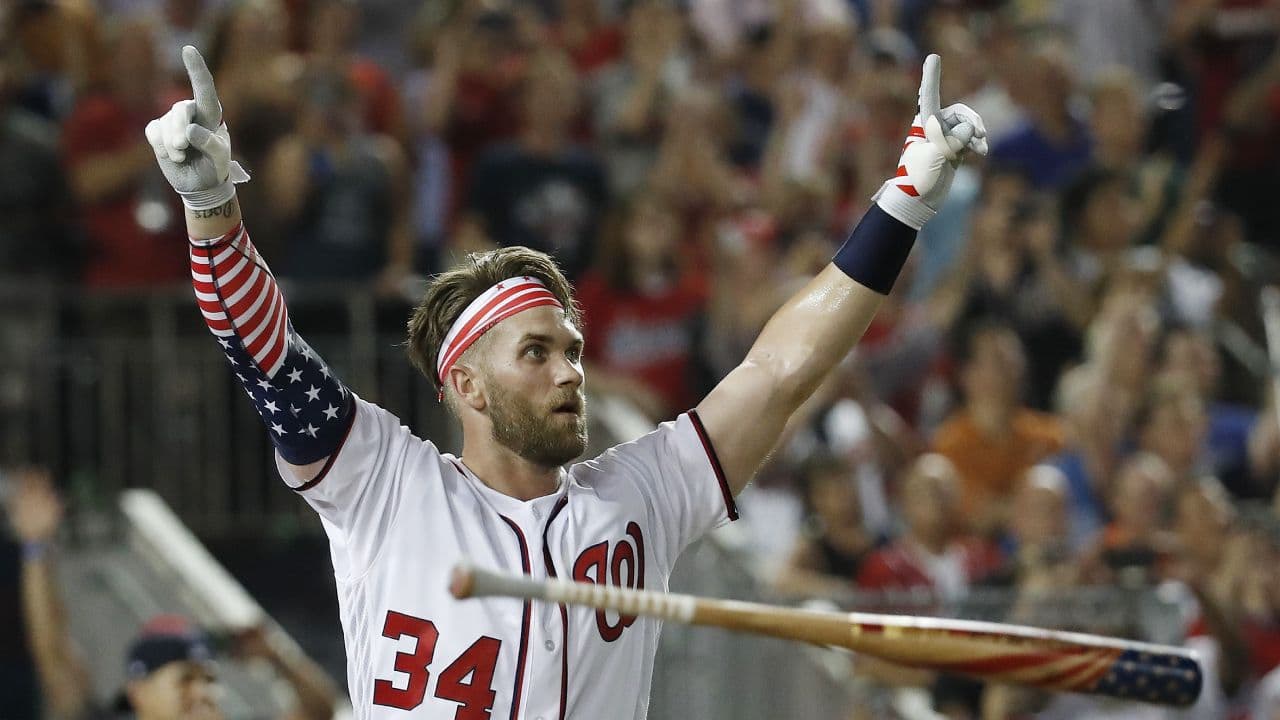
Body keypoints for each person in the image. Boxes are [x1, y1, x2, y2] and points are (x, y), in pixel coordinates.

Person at [144, 46, 986, 718]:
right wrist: (210, 201)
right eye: (538, 353)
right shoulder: (383, 482)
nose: (570, 372)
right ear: (467, 386)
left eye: (574, 350)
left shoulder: (642, 494)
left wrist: (906, 199)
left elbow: (778, 371)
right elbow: (264, 351)